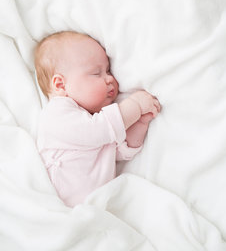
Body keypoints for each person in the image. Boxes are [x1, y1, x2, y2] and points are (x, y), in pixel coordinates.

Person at [34, 31, 161, 207]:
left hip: (94, 209)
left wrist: (139, 123)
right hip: (62, 209)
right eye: (96, 73)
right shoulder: (56, 114)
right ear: (60, 85)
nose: (109, 78)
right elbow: (97, 131)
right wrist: (134, 107)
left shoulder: (92, 119)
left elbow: (118, 152)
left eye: (108, 70)